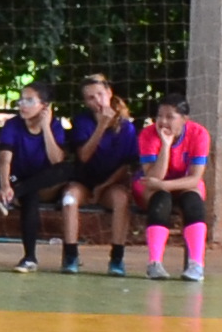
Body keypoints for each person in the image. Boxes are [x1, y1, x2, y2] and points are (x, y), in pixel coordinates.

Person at [0, 78, 85, 273]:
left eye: (29, 101)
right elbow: (4, 159)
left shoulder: (54, 126)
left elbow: (56, 160)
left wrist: (46, 127)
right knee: (30, 196)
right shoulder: (12, 125)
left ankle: (18, 192)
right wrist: (5, 186)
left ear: (44, 106)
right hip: (16, 180)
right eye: (21, 100)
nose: (22, 105)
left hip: (38, 183)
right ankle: (29, 258)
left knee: (65, 169)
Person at [69, 71, 143, 275]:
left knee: (121, 200)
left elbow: (127, 166)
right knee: (69, 198)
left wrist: (103, 187)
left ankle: (117, 259)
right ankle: (70, 256)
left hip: (110, 183)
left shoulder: (126, 127)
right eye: (90, 98)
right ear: (85, 102)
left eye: (100, 94)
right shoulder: (82, 122)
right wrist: (101, 126)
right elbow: (83, 156)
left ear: (109, 93)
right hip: (84, 181)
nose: (97, 101)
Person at [136, 92, 214, 282]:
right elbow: (154, 177)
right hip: (153, 185)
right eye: (159, 116)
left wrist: (164, 184)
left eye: (170, 117)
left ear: (184, 119)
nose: (163, 122)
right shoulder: (147, 135)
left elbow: (195, 178)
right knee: (160, 199)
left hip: (179, 184)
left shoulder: (199, 134)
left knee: (193, 203)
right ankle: (154, 263)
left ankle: (196, 265)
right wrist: (165, 145)